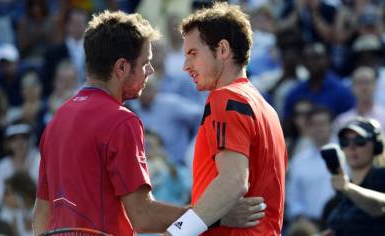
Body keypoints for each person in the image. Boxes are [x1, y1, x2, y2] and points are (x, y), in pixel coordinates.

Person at [33, 10, 265, 236]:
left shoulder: (57, 120)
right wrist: (212, 217)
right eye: (145, 63)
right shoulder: (121, 120)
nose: (150, 71)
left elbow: (42, 214)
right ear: (122, 67)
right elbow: (143, 217)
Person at [175, 2, 287, 235]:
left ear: (223, 50)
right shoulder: (267, 109)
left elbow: (234, 181)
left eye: (193, 54)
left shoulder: (224, 98)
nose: (186, 66)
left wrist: (177, 232)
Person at [322, 117, 385, 235]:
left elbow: (380, 207)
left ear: (376, 145)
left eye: (360, 141)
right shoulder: (338, 197)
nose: (351, 147)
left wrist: (348, 188)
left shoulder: (381, 176)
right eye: (345, 141)